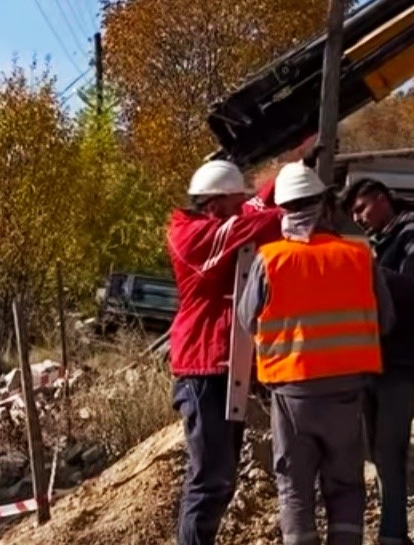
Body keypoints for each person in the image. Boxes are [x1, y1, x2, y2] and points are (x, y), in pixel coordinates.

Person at [236, 162, 395, 545]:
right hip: (347, 393)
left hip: (292, 395)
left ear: (283, 211)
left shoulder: (270, 260)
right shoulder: (357, 256)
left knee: (295, 487)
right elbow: (385, 321)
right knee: (345, 485)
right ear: (326, 207)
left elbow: (246, 321)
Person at [166, 159, 284, 545]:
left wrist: (290, 171)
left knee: (221, 477)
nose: (241, 208)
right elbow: (255, 223)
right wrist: (298, 206)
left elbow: (250, 211)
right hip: (202, 367)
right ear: (214, 206)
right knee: (209, 478)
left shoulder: (216, 222)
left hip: (221, 365)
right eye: (234, 203)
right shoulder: (192, 236)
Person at [341, 178, 414, 545]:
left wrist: (364, 270)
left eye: (362, 208)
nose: (359, 218)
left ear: (383, 200)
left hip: (401, 365)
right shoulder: (379, 243)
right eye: (353, 213)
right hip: (371, 360)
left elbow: (413, 286)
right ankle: (389, 532)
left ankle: (393, 535)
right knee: (377, 453)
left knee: (390, 451)